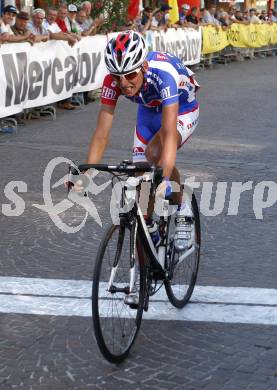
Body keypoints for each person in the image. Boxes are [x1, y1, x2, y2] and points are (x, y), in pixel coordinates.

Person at [85, 31, 199, 256]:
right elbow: (101, 133)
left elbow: (167, 133)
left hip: (182, 108)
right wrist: (86, 174)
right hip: (148, 111)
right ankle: (149, 229)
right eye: (117, 77)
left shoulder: (163, 75)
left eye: (130, 75)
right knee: (140, 176)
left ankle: (183, 209)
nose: (123, 83)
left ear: (144, 67)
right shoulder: (114, 81)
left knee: (154, 153)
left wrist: (164, 179)